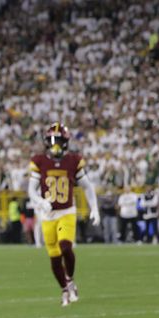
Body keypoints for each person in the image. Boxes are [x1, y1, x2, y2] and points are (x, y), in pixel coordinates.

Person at [27, 123, 100, 307]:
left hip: (66, 211)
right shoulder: (39, 161)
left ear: (65, 142)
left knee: (66, 247)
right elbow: (31, 190)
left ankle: (70, 278)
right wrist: (40, 201)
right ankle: (65, 289)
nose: (55, 145)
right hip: (47, 214)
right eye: (52, 141)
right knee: (54, 256)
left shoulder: (73, 161)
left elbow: (87, 186)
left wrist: (95, 208)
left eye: (58, 141)